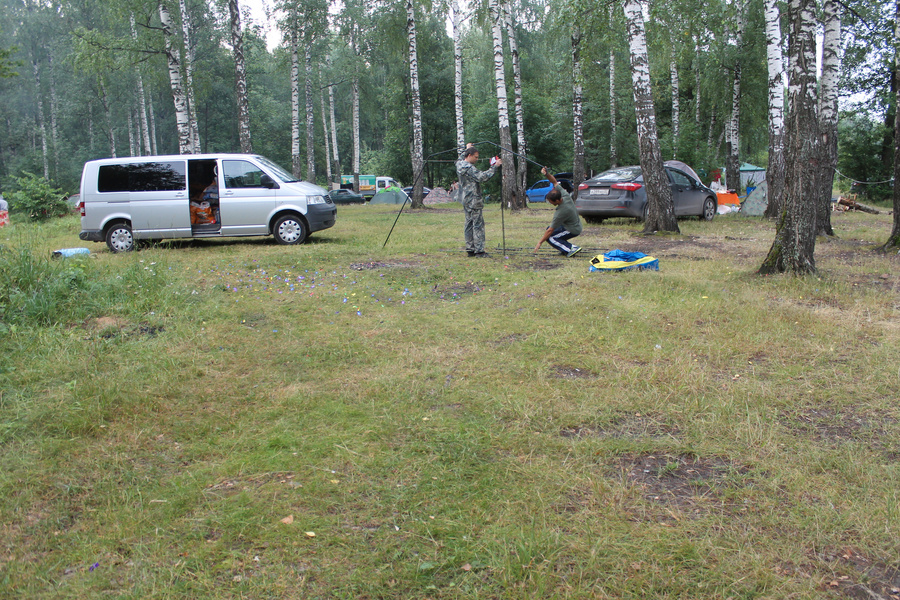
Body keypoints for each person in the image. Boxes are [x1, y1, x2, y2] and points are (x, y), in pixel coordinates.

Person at [456, 146, 500, 257]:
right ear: (469, 156)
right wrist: (495, 167)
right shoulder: (469, 168)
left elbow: (460, 158)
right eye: (475, 157)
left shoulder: (459, 164)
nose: (477, 159)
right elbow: (482, 177)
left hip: (466, 198)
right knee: (478, 224)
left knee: (469, 223)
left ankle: (470, 249)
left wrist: (468, 148)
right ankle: (479, 251)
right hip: (474, 199)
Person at [533, 167, 583, 257]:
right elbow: (554, 182)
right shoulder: (564, 195)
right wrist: (547, 174)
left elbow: (550, 230)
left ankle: (571, 248)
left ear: (557, 201)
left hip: (573, 229)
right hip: (574, 224)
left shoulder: (561, 211)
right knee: (550, 232)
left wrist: (539, 242)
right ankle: (564, 248)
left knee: (551, 237)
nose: (550, 203)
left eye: (551, 202)